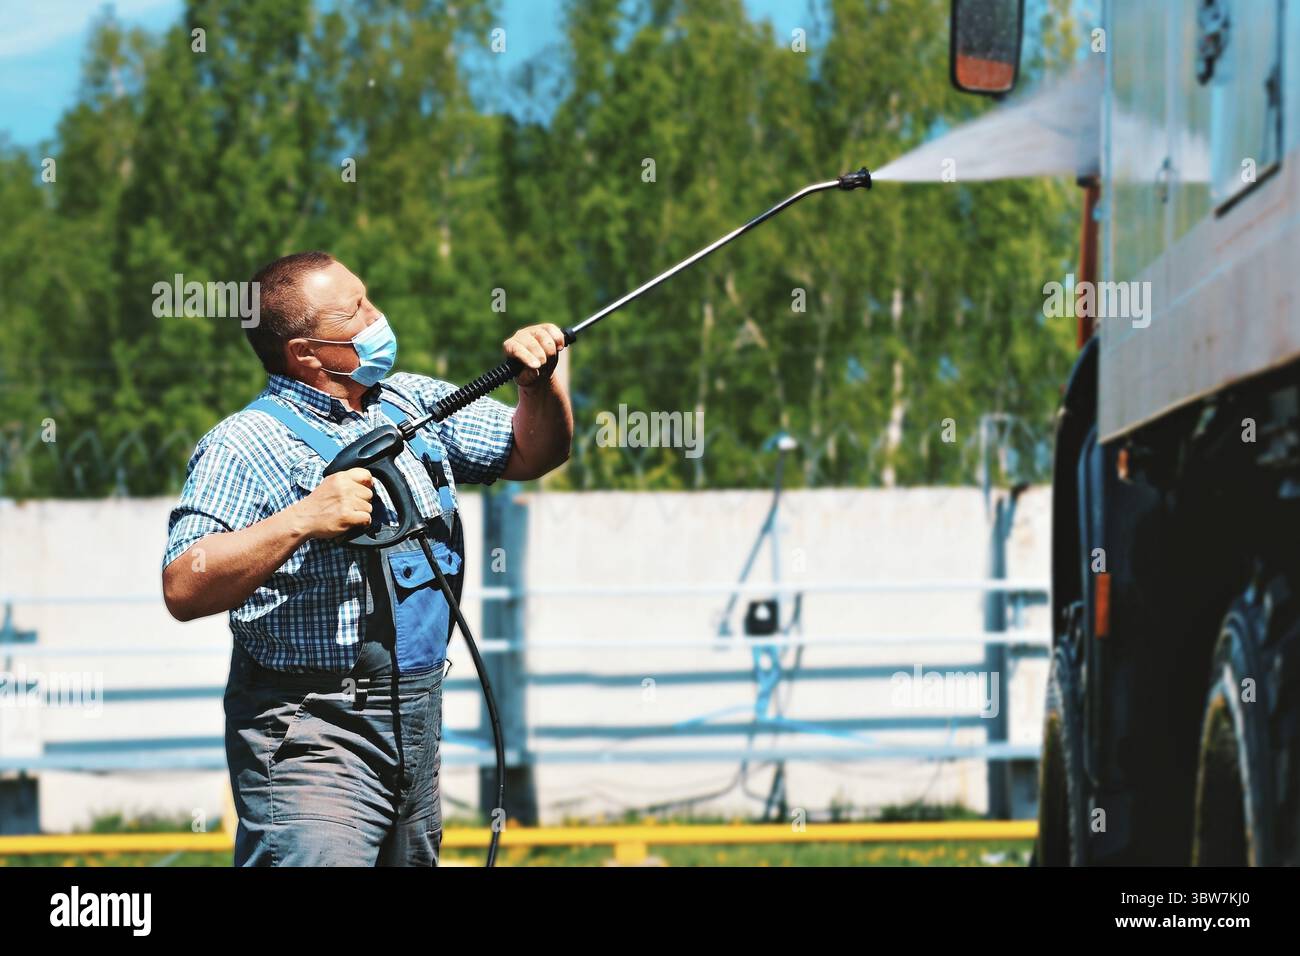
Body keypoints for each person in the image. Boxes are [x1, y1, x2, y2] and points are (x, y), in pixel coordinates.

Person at [161, 251, 573, 866]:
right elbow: (182, 585)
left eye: (369, 297)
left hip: (415, 718)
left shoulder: (408, 403)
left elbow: (531, 453)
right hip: (311, 732)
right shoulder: (243, 444)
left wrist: (536, 387)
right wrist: (303, 519)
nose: (378, 316)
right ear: (305, 353)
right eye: (355, 310)